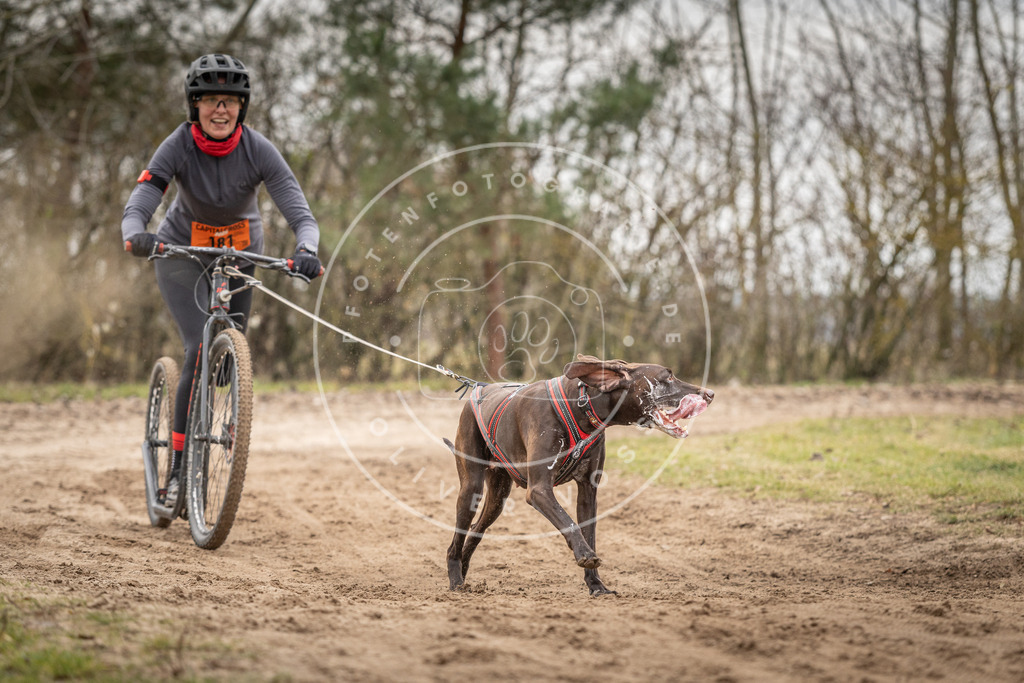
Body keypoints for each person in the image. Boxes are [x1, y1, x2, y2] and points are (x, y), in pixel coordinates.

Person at [121, 53, 322, 505]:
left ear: (241, 107)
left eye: (229, 101)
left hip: (239, 252)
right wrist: (135, 232)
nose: (220, 110)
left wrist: (306, 249)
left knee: (230, 358)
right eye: (210, 100)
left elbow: (298, 211)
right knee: (197, 348)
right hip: (181, 252)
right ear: (195, 106)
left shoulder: (258, 149)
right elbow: (146, 193)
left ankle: (228, 415)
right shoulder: (177, 145)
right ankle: (176, 474)